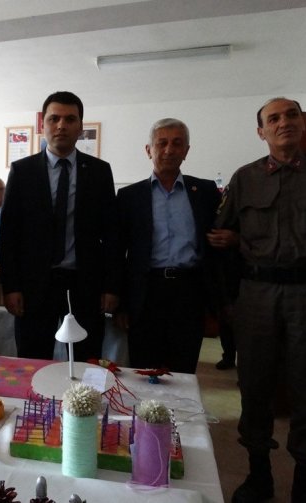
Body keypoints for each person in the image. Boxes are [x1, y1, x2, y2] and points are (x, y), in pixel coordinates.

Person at [215, 97, 306, 503]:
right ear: (261, 132)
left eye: (291, 115)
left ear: (303, 124)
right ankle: (259, 476)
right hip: (257, 297)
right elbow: (219, 237)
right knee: (254, 388)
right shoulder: (244, 178)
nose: (283, 123)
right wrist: (229, 300)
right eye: (273, 119)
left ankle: (305, 485)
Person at [0, 91, 119, 361]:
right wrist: (11, 287)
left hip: (85, 285)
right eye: (54, 119)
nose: (61, 125)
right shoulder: (22, 171)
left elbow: (112, 233)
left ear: (80, 127)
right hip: (34, 286)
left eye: (70, 119)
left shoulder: (99, 172)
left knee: (86, 362)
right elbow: (9, 234)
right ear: (43, 125)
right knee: (32, 360)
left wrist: (111, 286)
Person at [115, 118, 221, 374]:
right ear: (148, 150)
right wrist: (121, 305)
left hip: (190, 291)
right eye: (161, 143)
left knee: (183, 369)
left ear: (186, 150)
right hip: (146, 292)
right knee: (143, 369)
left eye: (177, 143)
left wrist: (216, 304)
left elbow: (216, 248)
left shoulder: (205, 191)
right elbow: (118, 253)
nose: (169, 150)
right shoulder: (129, 197)